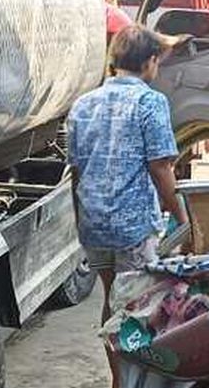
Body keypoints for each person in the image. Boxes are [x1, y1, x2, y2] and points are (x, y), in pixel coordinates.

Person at [67, 25, 186, 326]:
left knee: (111, 300)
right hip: (131, 227)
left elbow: (77, 172)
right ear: (149, 62)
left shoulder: (83, 104)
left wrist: (83, 219)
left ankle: (118, 375)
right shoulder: (150, 102)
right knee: (137, 305)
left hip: (94, 225)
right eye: (158, 61)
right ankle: (132, 373)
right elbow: (160, 168)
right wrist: (185, 221)